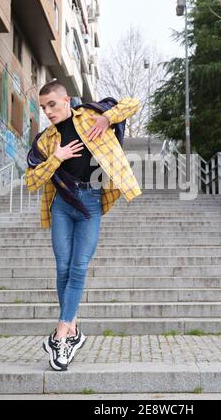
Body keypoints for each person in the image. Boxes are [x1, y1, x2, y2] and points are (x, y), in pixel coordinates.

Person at [25, 81, 142, 371]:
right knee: (63, 268)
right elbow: (30, 181)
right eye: (43, 107)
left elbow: (132, 103)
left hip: (90, 203)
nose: (48, 111)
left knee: (78, 267)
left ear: (66, 100)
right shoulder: (45, 141)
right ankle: (70, 331)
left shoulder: (90, 115)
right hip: (62, 206)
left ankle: (63, 331)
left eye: (52, 104)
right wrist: (57, 158)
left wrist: (108, 118)